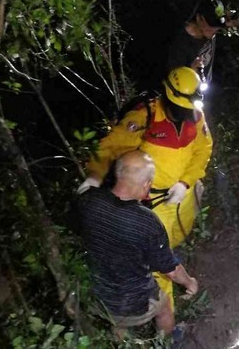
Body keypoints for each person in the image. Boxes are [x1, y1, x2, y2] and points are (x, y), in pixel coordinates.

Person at [77, 66, 212, 307]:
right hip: (156, 202)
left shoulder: (196, 114)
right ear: (167, 98)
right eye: (180, 109)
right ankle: (166, 314)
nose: (185, 114)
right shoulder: (144, 117)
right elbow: (110, 148)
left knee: (181, 232)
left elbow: (203, 150)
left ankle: (176, 255)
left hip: (183, 194)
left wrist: (185, 182)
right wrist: (95, 176)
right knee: (161, 259)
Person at [75, 150, 198, 338]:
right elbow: (171, 271)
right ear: (147, 184)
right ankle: (169, 340)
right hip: (131, 303)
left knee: (118, 321)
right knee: (164, 307)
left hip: (95, 295)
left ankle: (120, 336)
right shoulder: (147, 222)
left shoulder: (87, 200)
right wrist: (190, 282)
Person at [166, 0, 239, 84]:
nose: (214, 29)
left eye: (217, 25)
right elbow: (174, 78)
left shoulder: (209, 33)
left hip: (203, 89)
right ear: (198, 18)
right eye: (211, 24)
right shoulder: (180, 44)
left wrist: (233, 17)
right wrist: (191, 70)